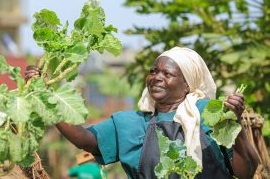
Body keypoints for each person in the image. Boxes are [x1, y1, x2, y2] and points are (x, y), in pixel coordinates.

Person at [25, 47, 258, 179]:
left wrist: (234, 126)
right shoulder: (132, 123)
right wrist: (46, 97)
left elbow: (245, 172)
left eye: (167, 74)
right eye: (153, 71)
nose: (157, 77)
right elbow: (84, 139)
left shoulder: (211, 113)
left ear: (188, 84)